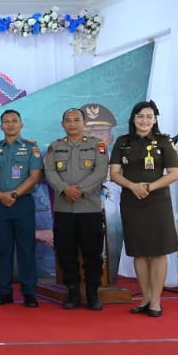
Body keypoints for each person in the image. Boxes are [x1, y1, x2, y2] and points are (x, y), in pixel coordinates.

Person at [108, 100, 178, 317]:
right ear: (133, 119)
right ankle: (146, 298)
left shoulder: (163, 141)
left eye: (149, 116)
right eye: (140, 116)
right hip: (132, 202)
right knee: (139, 252)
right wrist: (133, 186)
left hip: (157, 202)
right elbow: (115, 173)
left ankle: (156, 301)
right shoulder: (122, 142)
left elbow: (174, 173)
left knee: (158, 252)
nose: (145, 120)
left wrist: (149, 187)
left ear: (155, 119)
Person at [42, 108, 109, 310]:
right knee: (66, 253)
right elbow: (50, 171)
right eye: (68, 120)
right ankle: (72, 292)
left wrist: (80, 190)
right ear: (63, 124)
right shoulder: (55, 146)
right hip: (64, 209)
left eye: (76, 120)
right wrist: (65, 189)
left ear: (84, 123)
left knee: (93, 254)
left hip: (89, 208)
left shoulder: (97, 146)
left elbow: (100, 171)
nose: (72, 124)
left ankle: (92, 293)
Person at [0, 109, 44, 307]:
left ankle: (29, 293)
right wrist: (1, 196)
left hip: (23, 203)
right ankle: (4, 292)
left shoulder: (31, 148)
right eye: (6, 122)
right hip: (0, 204)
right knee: (3, 249)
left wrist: (15, 194)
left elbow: (35, 176)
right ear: (1, 126)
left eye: (14, 121)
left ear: (21, 125)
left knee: (26, 249)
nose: (10, 124)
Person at [80, 102, 122, 283]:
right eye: (89, 132)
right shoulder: (73, 156)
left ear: (110, 137)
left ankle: (112, 276)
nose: (95, 136)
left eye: (101, 132)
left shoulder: (121, 159)